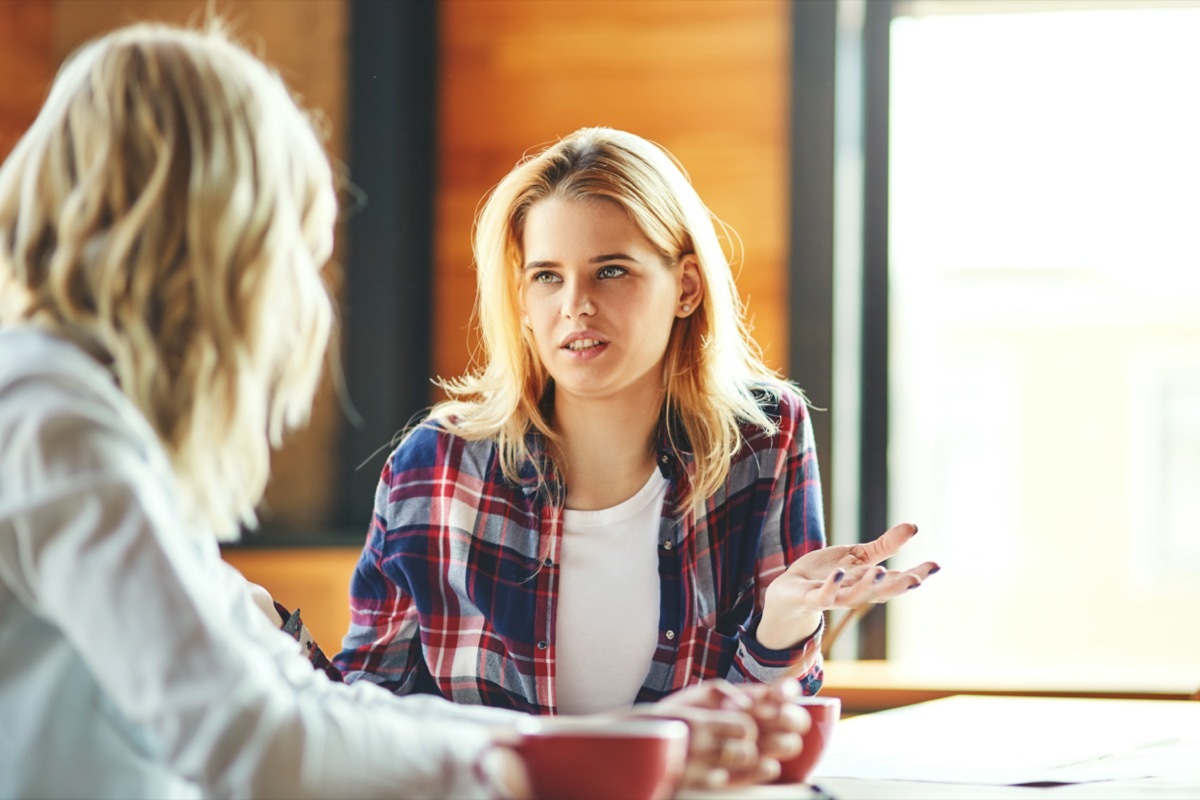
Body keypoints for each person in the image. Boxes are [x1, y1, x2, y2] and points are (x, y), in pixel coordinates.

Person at [0, 25, 804, 798]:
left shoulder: (83, 422)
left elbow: (317, 709)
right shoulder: (51, 422)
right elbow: (257, 740)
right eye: (286, 244)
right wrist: (538, 763)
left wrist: (614, 746)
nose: (298, 294)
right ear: (202, 242)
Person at [335, 128, 939, 717]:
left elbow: (765, 726)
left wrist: (783, 624)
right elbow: (362, 710)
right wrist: (266, 638)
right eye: (547, 276)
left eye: (611, 270)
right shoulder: (434, 466)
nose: (575, 304)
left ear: (686, 286)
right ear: (521, 301)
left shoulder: (762, 435)